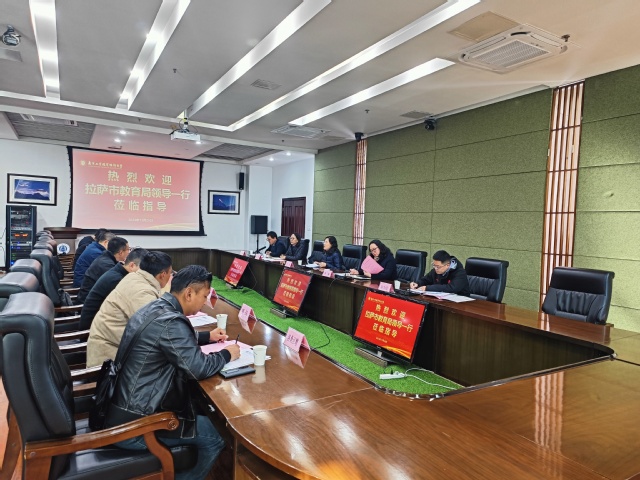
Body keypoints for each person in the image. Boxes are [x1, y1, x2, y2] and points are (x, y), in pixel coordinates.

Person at [106, 265, 240, 480]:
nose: (205, 301)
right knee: (216, 436)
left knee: (200, 408)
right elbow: (198, 368)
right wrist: (226, 354)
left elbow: (168, 340)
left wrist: (207, 337)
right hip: (137, 425)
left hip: (123, 408)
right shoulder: (171, 321)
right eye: (204, 296)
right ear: (189, 293)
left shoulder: (156, 307)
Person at [86, 251, 173, 367]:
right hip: (109, 360)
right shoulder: (142, 291)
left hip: (114, 347)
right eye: (170, 273)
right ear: (163, 274)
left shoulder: (135, 277)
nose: (170, 277)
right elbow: (158, 330)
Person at [79, 248, 148, 330]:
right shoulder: (118, 279)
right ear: (132, 265)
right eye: (143, 270)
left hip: (102, 322)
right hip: (93, 328)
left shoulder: (118, 271)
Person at [76, 236, 129, 304]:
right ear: (121, 252)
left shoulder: (106, 257)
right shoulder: (106, 265)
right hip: (89, 304)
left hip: (93, 299)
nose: (129, 252)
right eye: (128, 249)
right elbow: (119, 286)